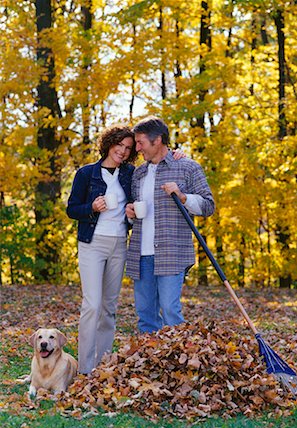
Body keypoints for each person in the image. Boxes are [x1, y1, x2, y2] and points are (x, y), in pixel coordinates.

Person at [125, 116, 215, 333]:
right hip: (141, 253)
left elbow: (208, 206)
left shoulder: (188, 168)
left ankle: (179, 363)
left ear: (157, 141)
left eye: (141, 143)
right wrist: (130, 213)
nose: (137, 148)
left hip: (172, 252)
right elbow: (134, 213)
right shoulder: (139, 173)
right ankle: (151, 361)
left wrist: (183, 197)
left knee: (170, 311)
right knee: (145, 313)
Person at [67, 125, 137, 375]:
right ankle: (85, 368)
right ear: (109, 143)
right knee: (92, 305)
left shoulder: (130, 174)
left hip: (119, 244)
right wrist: (91, 208)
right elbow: (72, 209)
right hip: (92, 244)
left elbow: (155, 171)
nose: (123, 151)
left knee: (109, 307)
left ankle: (103, 365)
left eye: (128, 148)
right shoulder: (86, 173)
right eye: (120, 145)